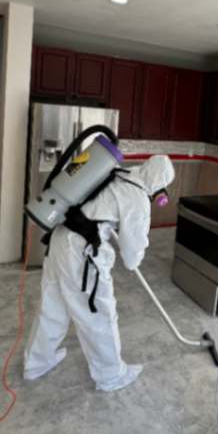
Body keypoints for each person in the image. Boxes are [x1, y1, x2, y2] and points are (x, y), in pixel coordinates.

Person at [23, 154, 175, 391]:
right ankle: (111, 375)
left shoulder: (118, 173)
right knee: (99, 315)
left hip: (60, 238)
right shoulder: (138, 199)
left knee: (52, 306)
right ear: (159, 184)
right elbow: (131, 257)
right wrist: (135, 253)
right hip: (80, 254)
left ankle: (36, 363)